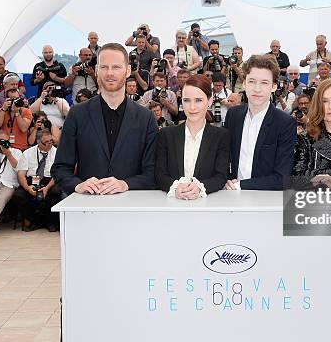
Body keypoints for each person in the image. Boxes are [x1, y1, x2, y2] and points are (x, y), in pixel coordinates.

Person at [52, 43, 157, 195]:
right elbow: (60, 169)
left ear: (128, 70)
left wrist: (125, 184)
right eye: (104, 67)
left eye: (116, 67)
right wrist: (78, 185)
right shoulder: (77, 114)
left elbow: (152, 172)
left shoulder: (145, 118)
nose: (109, 73)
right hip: (88, 207)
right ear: (96, 70)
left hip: (131, 208)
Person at [224, 54, 297, 190]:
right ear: (244, 84)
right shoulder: (233, 115)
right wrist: (227, 180)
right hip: (231, 197)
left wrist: (239, 185)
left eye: (264, 83)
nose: (257, 89)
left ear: (274, 86)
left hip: (265, 200)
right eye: (252, 81)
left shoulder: (285, 123)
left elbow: (282, 177)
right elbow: (225, 157)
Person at [155, 75, 230, 198]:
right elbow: (159, 175)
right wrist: (175, 187)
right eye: (187, 100)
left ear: (210, 101)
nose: (192, 107)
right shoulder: (166, 135)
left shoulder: (221, 136)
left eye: (198, 100)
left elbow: (220, 176)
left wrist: (200, 187)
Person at [12, 129, 61, 232]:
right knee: (18, 196)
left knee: (56, 192)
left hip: (50, 180)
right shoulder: (28, 153)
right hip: (32, 180)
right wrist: (27, 187)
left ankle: (50, 221)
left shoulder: (57, 152)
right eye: (46, 143)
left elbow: (58, 174)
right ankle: (35, 219)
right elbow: (21, 173)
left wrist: (47, 188)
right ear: (38, 142)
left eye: (51, 141)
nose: (49, 145)